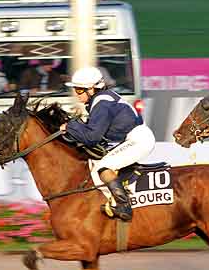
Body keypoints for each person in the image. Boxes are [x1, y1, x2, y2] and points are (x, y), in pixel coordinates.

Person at [60, 66, 155, 221]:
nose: (76, 94)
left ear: (91, 89)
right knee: (96, 164)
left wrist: (70, 126)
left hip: (138, 140)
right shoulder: (101, 99)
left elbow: (92, 137)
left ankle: (123, 207)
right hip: (133, 138)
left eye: (78, 90)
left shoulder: (102, 104)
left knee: (103, 168)